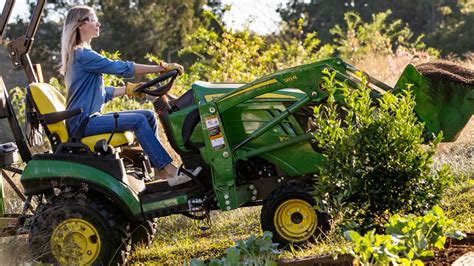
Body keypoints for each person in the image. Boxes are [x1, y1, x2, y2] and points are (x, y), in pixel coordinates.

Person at [61, 5, 191, 186]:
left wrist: (130, 89)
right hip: (83, 123)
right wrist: (160, 68)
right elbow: (121, 67)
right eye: (92, 19)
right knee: (137, 121)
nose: (98, 23)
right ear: (80, 25)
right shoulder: (83, 54)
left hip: (89, 119)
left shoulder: (81, 54)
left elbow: (102, 92)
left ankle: (159, 170)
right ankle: (170, 170)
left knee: (148, 115)